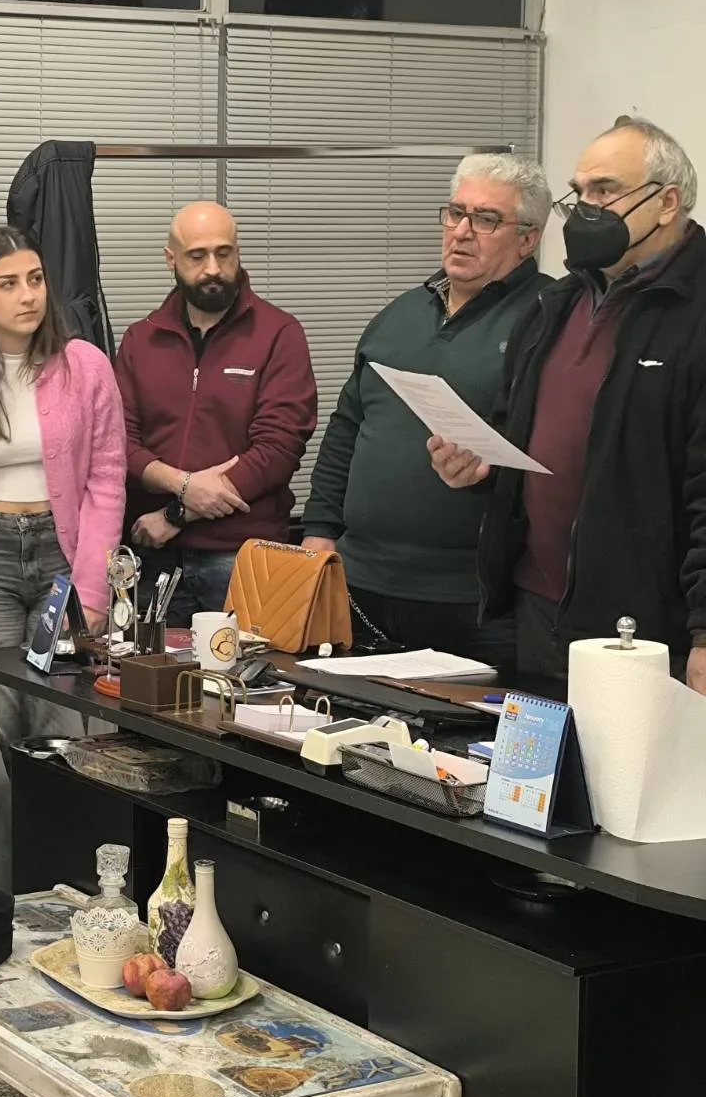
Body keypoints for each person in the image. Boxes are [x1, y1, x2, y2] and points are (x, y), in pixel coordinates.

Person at [430, 118, 706, 691]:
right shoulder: (555, 305)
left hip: (650, 630)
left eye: (605, 190)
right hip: (537, 607)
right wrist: (479, 467)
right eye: (579, 192)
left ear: (667, 203)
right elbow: (516, 432)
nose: (585, 209)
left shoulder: (695, 314)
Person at [0, 226, 126, 891]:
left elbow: (107, 478)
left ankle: (77, 899)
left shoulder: (86, 366)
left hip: (65, 559)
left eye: (35, 279)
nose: (28, 295)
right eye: (8, 284)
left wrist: (91, 590)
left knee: (68, 734)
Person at [301, 154, 553, 667]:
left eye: (486, 219)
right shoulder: (400, 314)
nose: (462, 232)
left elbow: (561, 451)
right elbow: (347, 428)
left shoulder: (550, 318)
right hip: (361, 583)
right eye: (455, 213)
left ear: (528, 239)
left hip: (474, 601)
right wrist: (318, 532)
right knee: (343, 717)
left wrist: (489, 472)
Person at [114, 203, 317, 624]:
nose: (213, 269)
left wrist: (177, 512)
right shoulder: (141, 339)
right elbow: (120, 443)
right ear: (170, 259)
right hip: (154, 559)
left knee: (248, 669)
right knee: (151, 668)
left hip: (243, 557)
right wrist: (184, 485)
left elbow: (278, 449)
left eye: (224, 253)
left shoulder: (279, 334)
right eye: (197, 256)